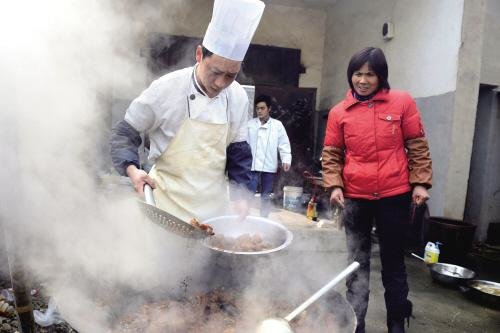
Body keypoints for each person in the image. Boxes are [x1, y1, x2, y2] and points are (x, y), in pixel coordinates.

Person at [110, 0, 266, 222]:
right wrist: (133, 170)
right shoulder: (166, 89)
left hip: (214, 215)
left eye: (231, 75)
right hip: (166, 208)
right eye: (216, 72)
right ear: (199, 54)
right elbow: (124, 133)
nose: (221, 83)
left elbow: (238, 152)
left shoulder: (238, 97)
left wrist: (242, 195)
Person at [322, 47, 432, 333]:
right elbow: (332, 154)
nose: (363, 80)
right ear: (351, 76)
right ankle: (355, 323)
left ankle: (396, 323)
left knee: (393, 262)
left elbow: (417, 145)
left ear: (381, 76)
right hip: (355, 198)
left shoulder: (402, 103)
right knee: (356, 264)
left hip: (394, 196)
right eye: (357, 74)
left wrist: (420, 181)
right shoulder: (338, 113)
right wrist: (335, 186)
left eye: (370, 74)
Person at [247, 94, 292, 217]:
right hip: (253, 166)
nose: (259, 111)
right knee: (249, 194)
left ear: (269, 109)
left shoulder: (277, 125)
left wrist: (286, 159)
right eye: (257, 108)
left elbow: (284, 144)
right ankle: (246, 218)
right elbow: (244, 143)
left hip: (269, 166)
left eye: (262, 108)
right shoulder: (250, 124)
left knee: (265, 196)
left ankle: (264, 219)